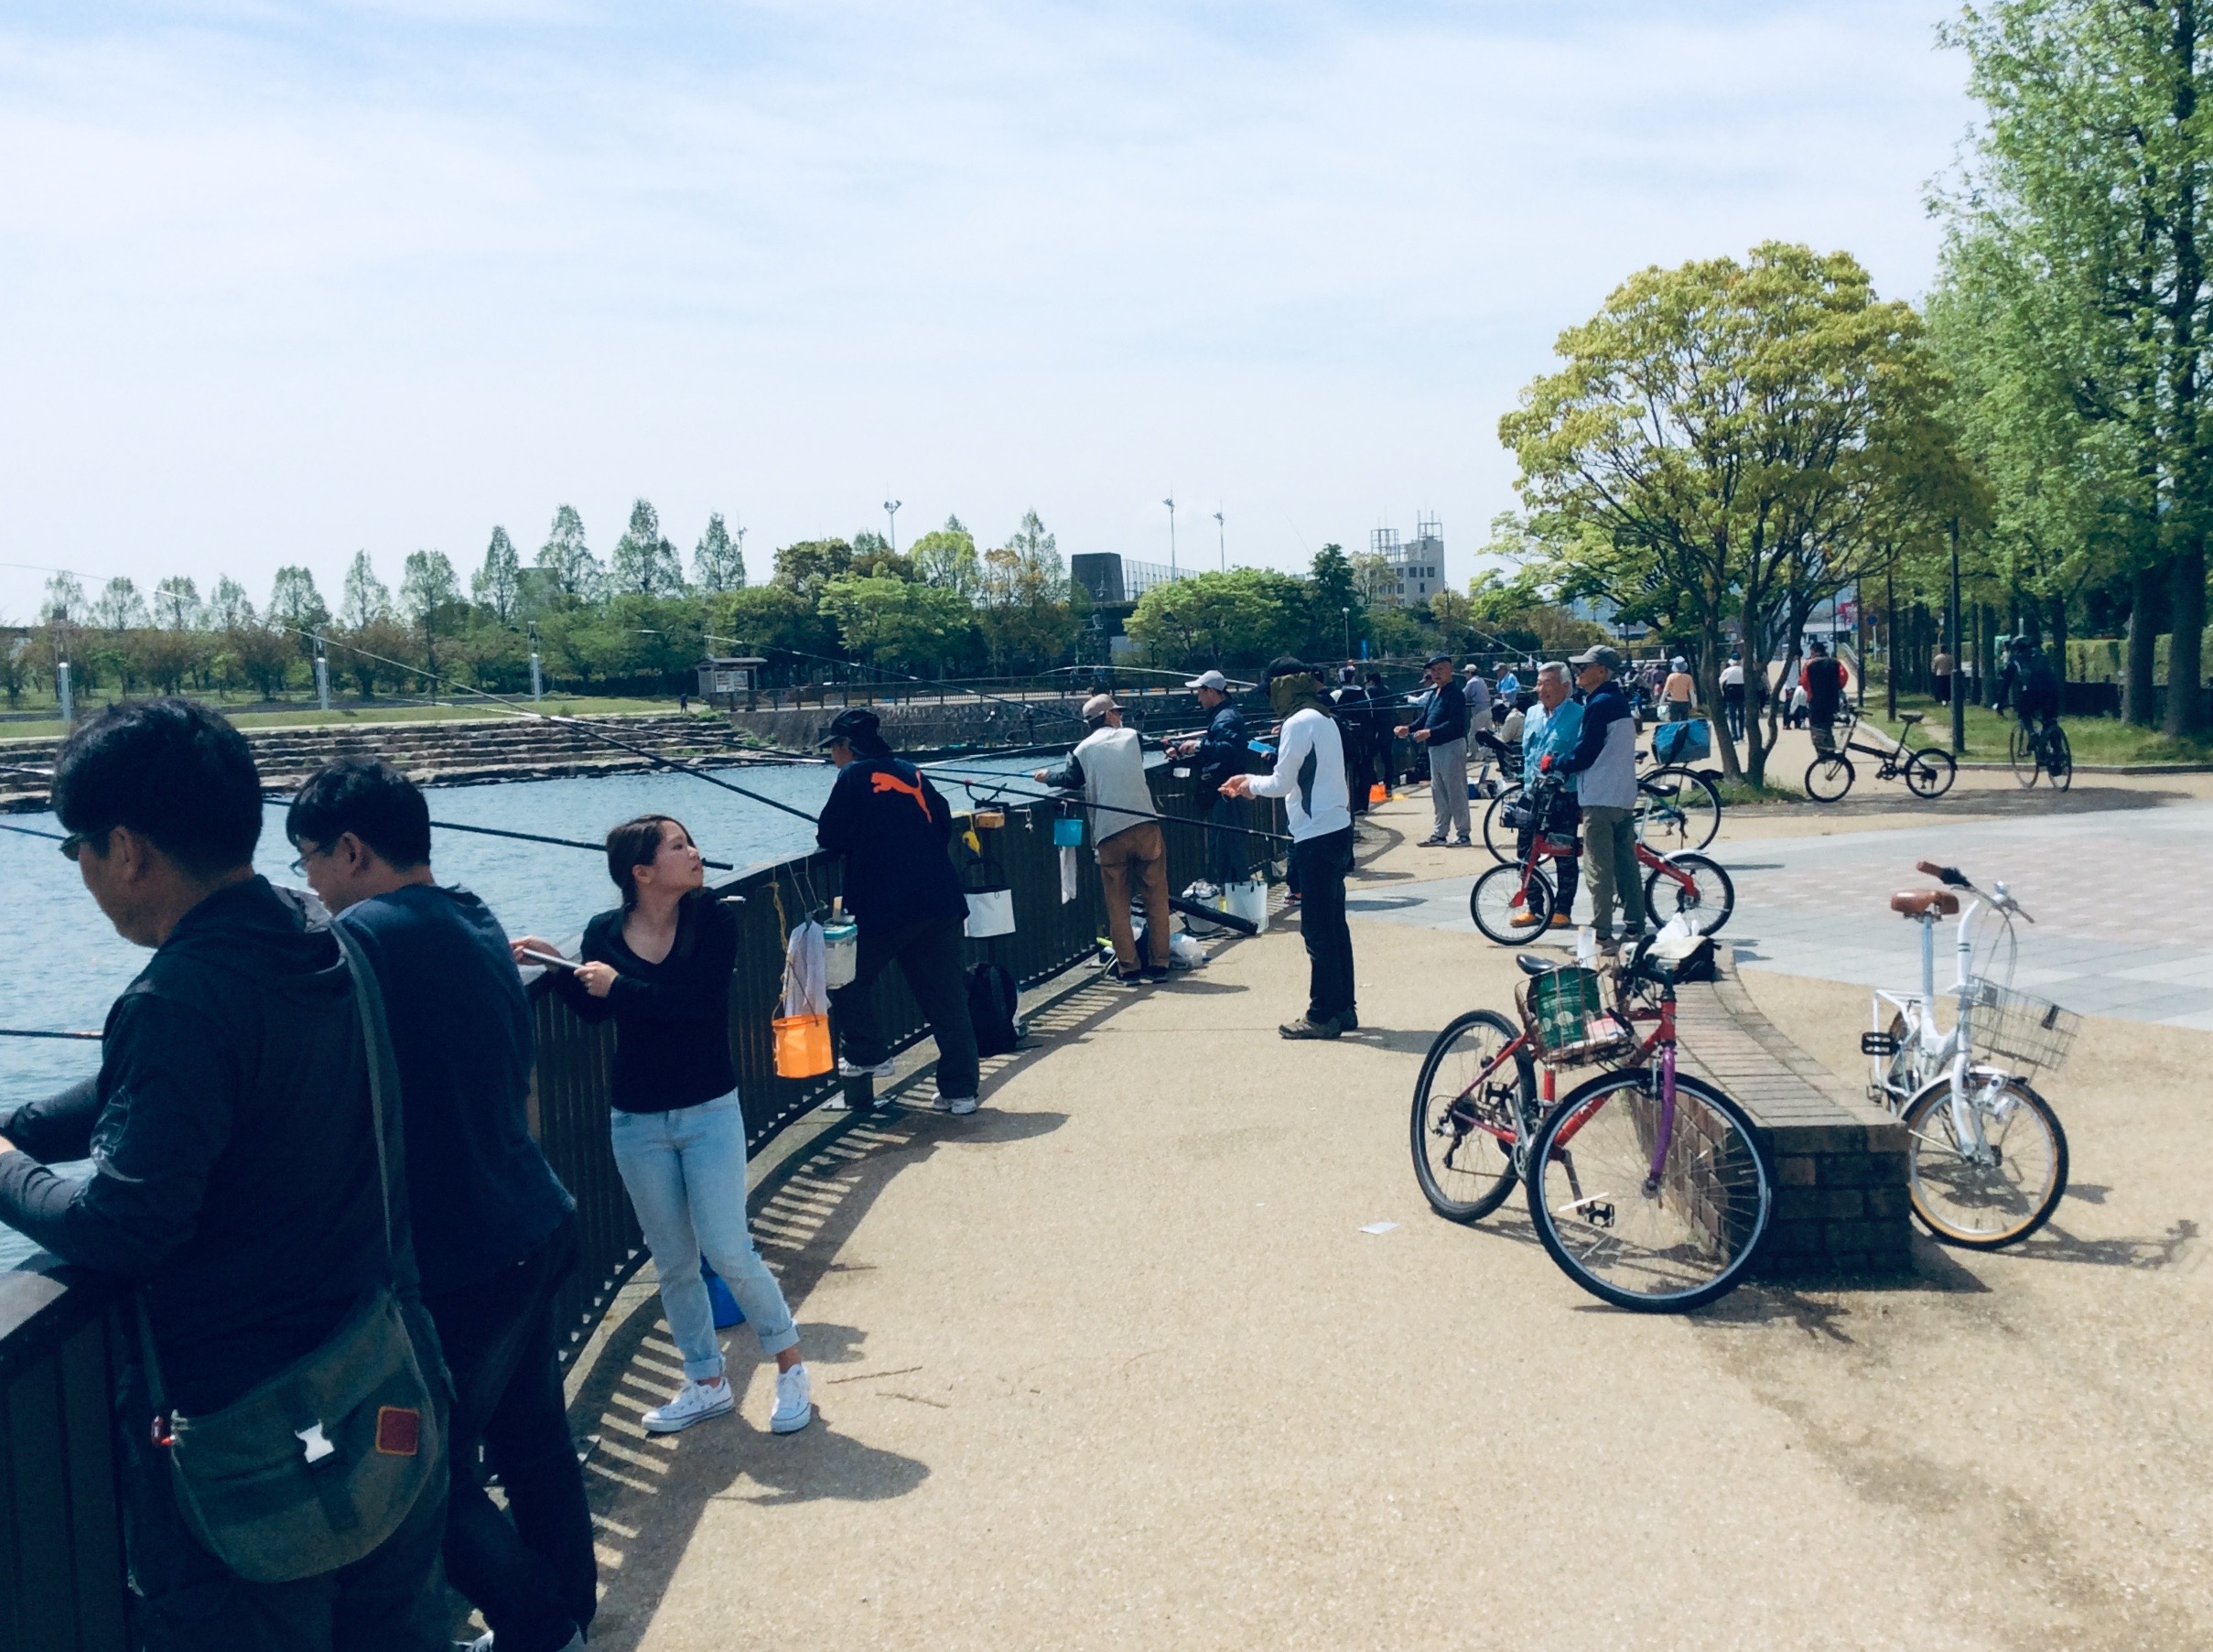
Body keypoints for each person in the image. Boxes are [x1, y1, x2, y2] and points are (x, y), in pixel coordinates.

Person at [0, 699, 451, 1649]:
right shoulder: (316, 933)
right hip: (384, 1394)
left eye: (74, 847)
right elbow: (157, 1079)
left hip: (256, 1466)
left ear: (125, 848)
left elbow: (125, 1225)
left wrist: (4, 1165)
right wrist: (23, 1123)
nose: (82, 871)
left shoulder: (177, 996)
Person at [286, 758, 592, 1652]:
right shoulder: (470, 914)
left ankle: (538, 1623)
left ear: (350, 849)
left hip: (460, 1258)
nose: (307, 880)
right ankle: (568, 1609)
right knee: (533, 1440)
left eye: (309, 859)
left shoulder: (362, 939)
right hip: (533, 1218)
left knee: (423, 1477)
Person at [511, 815, 813, 1439]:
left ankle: (789, 1362)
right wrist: (560, 964)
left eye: (690, 841)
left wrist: (621, 985)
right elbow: (595, 1013)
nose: (695, 852)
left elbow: (697, 1008)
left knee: (728, 1247)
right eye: (678, 846)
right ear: (641, 871)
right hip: (637, 1117)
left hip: (708, 1108)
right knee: (673, 1260)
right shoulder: (604, 931)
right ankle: (705, 1381)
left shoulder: (714, 921)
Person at [813, 708, 981, 1116]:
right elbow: (942, 825)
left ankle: (869, 1053)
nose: (831, 756)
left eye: (832, 748)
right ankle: (961, 1093)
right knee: (946, 998)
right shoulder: (911, 772)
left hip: (884, 905)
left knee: (841, 978)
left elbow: (828, 835)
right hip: (939, 899)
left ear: (846, 747)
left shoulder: (851, 777)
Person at [1222, 658, 1355, 1038]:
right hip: (1338, 828)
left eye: (1270, 693)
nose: (1269, 702)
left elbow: (1281, 783)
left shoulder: (1297, 723)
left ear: (1283, 689)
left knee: (1316, 930)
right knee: (1335, 925)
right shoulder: (1324, 717)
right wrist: (1253, 779)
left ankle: (1322, 1015)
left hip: (1314, 836)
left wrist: (1248, 783)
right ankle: (1344, 1008)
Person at [1037, 695, 1170, 983]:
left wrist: (1047, 776)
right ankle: (1160, 964)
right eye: (1117, 712)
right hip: (1144, 824)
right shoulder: (1134, 737)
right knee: (1156, 898)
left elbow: (1071, 780)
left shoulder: (1081, 750)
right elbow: (1146, 752)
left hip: (1109, 833)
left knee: (1118, 905)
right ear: (1109, 715)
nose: (1121, 716)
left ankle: (1129, 969)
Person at [1552, 645, 1645, 955]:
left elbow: (1585, 753)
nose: (1579, 672)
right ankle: (1635, 927)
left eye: (1585, 667)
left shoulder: (1599, 703)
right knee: (1626, 863)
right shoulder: (1618, 701)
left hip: (1600, 797)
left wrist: (1555, 762)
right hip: (1622, 795)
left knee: (1598, 868)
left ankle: (1601, 934)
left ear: (1602, 671)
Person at [1513, 661, 1582, 931]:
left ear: (1565, 686)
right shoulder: (1531, 713)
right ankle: (1534, 907)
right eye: (1539, 682)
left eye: (1546, 683)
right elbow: (1527, 751)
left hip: (1564, 794)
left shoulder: (1580, 715)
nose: (1539, 688)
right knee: (1524, 851)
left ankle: (1563, 910)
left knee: (1564, 852)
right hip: (1532, 793)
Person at [1174, 671, 1252, 873]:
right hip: (1228, 791)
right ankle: (1234, 895)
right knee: (1226, 848)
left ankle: (1236, 897)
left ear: (1210, 691)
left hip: (1228, 792)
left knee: (1228, 851)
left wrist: (1199, 746)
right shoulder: (1225, 715)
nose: (1198, 698)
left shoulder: (1225, 717)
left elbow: (1228, 750)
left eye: (1199, 693)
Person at [1396, 653, 1472, 848]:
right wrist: (1409, 728)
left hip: (1451, 746)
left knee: (1456, 792)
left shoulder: (1455, 694)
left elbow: (1455, 724)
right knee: (1438, 792)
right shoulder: (1434, 694)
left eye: (1440, 669)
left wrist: (1429, 732)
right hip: (1435, 748)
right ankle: (1440, 833)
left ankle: (1463, 834)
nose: (1436, 673)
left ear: (1450, 670)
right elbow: (1425, 719)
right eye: (1433, 670)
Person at [1993, 635, 2061, 743]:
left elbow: (2006, 685)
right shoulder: (2042, 655)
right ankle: (2058, 749)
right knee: (2050, 721)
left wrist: (2000, 705)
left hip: (2032, 691)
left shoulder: (2015, 660)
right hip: (2052, 690)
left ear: (2016, 648)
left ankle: (2032, 733)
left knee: (2024, 714)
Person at [1330, 666, 1373, 816]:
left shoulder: (1336, 694)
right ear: (1353, 678)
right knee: (1364, 770)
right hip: (1365, 738)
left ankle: (1351, 804)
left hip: (1346, 740)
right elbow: (1371, 713)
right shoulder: (1364, 692)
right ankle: (1364, 804)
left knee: (1348, 772)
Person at [1802, 639, 1849, 753]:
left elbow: (1804, 682)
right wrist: (1836, 687)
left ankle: (1821, 752)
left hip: (1815, 700)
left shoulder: (1809, 664)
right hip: (1831, 700)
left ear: (1813, 651)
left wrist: (1810, 690)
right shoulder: (1835, 663)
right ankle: (1831, 750)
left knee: (1816, 727)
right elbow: (1844, 677)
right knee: (1828, 725)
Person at [1660, 656, 1699, 721]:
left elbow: (1666, 691)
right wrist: (1694, 704)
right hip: (1685, 702)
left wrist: (1661, 702)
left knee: (1674, 721)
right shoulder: (1688, 678)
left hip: (1674, 702)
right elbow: (1691, 692)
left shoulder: (1671, 677)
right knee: (1685, 721)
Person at [1720, 653, 1746, 742]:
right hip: (1742, 693)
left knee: (1732, 716)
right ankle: (1741, 736)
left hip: (1730, 694)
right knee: (1741, 715)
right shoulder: (1743, 670)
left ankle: (1734, 736)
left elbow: (1720, 682)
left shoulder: (1727, 671)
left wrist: (1722, 692)